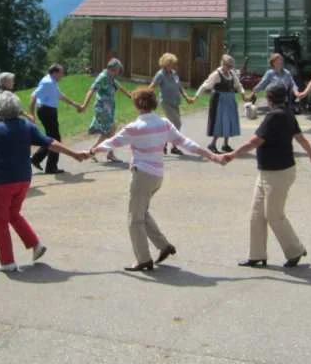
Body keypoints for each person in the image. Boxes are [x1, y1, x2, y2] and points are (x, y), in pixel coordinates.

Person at [88, 87, 222, 272]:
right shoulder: (164, 123)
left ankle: (143, 260)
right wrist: (211, 155)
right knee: (142, 212)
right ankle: (164, 246)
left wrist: (91, 151)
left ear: (138, 105)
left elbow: (112, 142)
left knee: (134, 219)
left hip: (142, 175)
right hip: (157, 176)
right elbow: (185, 142)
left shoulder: (134, 127)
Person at [0, 92, 87, 272]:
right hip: (24, 180)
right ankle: (35, 244)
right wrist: (74, 154)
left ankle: (7, 262)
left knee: (1, 220)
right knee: (13, 214)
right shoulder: (26, 126)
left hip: (3, 182)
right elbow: (50, 142)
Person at [223, 82, 311, 268]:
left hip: (279, 174)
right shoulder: (287, 114)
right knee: (256, 214)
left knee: (274, 215)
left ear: (269, 99)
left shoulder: (274, 117)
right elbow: (301, 138)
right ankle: (257, 255)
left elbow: (255, 141)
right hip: (267, 173)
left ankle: (296, 250)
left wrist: (232, 155)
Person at [29, 64, 83, 175]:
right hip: (46, 111)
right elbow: (33, 95)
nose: (62, 75)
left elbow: (60, 96)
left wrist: (75, 104)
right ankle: (50, 167)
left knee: (52, 138)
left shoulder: (52, 82)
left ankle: (37, 159)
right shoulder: (47, 82)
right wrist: (31, 114)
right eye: (61, 73)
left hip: (48, 111)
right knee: (55, 139)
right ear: (55, 72)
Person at [82, 58, 132, 163]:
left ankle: (98, 152)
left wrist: (129, 95)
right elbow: (92, 89)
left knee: (110, 130)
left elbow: (119, 86)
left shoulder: (110, 77)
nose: (119, 72)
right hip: (102, 108)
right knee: (110, 129)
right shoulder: (103, 77)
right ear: (113, 69)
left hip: (109, 107)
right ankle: (95, 152)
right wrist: (84, 105)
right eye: (118, 70)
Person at [195, 54, 246, 153]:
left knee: (230, 121)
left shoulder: (231, 73)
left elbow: (238, 85)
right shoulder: (216, 74)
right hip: (219, 100)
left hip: (230, 100)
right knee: (220, 121)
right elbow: (205, 85)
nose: (230, 68)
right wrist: (196, 96)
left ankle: (225, 144)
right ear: (223, 64)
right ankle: (212, 144)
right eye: (228, 65)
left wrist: (243, 94)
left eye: (231, 66)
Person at [150, 53, 195, 155]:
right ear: (165, 63)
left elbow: (179, 87)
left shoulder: (174, 73)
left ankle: (171, 146)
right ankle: (167, 145)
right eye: (171, 63)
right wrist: (145, 95)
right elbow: (153, 85)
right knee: (177, 123)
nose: (173, 65)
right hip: (166, 102)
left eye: (174, 64)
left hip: (175, 102)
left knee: (173, 125)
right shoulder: (160, 74)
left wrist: (186, 97)